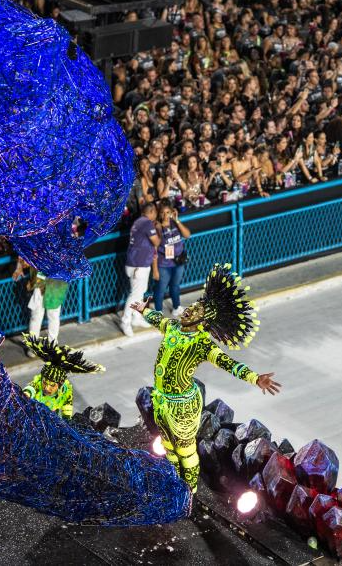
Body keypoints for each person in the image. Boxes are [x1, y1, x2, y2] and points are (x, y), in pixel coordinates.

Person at [130, 264, 281, 490]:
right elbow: (158, 320)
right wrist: (144, 311)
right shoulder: (173, 327)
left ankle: (189, 492)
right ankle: (174, 485)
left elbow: (228, 363)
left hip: (182, 407)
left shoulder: (202, 345)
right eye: (191, 307)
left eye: (196, 311)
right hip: (161, 400)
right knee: (169, 448)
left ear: (202, 322)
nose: (188, 310)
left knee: (185, 451)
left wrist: (255, 378)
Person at [10, 335, 104, 419]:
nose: (47, 388)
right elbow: (31, 388)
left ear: (60, 384)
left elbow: (67, 410)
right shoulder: (38, 382)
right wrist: (25, 394)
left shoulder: (66, 391)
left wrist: (67, 422)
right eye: (45, 383)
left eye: (52, 385)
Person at [121, 203, 160, 336]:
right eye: (156, 212)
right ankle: (125, 321)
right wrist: (157, 228)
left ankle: (136, 317)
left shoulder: (138, 221)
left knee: (139, 293)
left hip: (136, 263)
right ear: (152, 212)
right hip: (139, 264)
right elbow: (156, 242)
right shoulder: (147, 223)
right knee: (135, 295)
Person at [13, 259, 68, 341]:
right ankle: (34, 343)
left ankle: (52, 343)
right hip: (40, 284)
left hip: (55, 285)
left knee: (53, 316)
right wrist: (19, 267)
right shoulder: (38, 251)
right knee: (37, 316)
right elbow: (24, 260)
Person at [152, 203, 191, 318]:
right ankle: (158, 312)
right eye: (162, 213)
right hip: (164, 264)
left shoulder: (175, 223)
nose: (165, 215)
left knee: (175, 285)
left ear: (172, 213)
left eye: (168, 212)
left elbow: (187, 235)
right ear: (159, 214)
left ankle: (176, 307)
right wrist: (155, 269)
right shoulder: (157, 227)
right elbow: (154, 250)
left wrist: (177, 220)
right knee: (161, 288)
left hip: (178, 262)